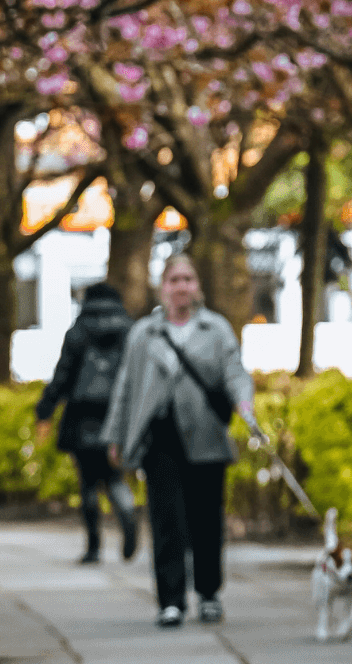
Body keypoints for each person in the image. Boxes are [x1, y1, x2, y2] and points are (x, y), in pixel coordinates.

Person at [101, 254, 258, 628]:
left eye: (188, 279)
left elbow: (235, 373)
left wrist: (245, 404)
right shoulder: (144, 334)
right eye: (174, 280)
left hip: (207, 438)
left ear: (197, 286)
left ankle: (208, 594)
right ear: (163, 287)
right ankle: (170, 601)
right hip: (160, 441)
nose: (182, 286)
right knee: (166, 521)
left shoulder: (215, 329)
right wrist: (115, 435)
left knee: (207, 522)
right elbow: (125, 387)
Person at [35, 283, 139, 564]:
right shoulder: (130, 330)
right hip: (117, 415)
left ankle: (93, 547)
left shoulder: (78, 330)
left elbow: (63, 374)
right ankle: (127, 511)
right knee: (114, 476)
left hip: (82, 416)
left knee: (88, 481)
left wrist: (45, 410)